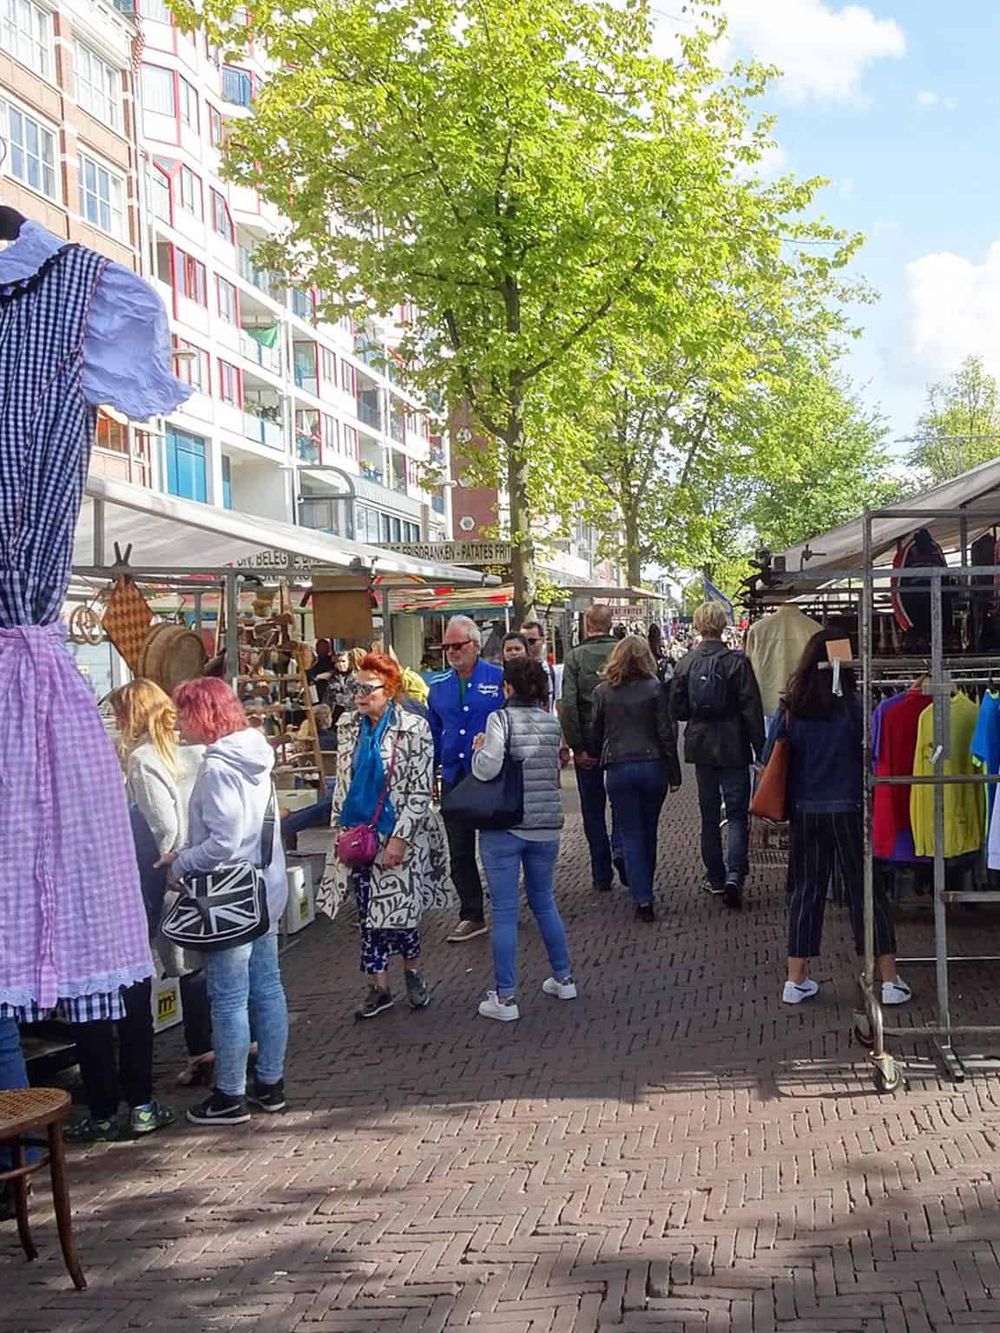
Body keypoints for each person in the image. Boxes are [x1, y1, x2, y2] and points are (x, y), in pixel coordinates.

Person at [765, 629, 911, 1008]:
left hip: (806, 809)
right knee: (866, 889)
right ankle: (889, 979)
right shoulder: (858, 707)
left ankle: (795, 978)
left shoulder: (792, 708)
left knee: (807, 890)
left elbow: (770, 757)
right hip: (851, 808)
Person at [166, 678, 289, 1126]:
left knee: (230, 998)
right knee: (267, 987)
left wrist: (182, 862)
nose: (179, 723)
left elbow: (223, 842)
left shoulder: (218, 767)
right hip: (264, 888)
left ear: (203, 715)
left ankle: (230, 1093)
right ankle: (270, 1083)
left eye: (184, 714)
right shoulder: (256, 755)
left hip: (228, 900)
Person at [320, 652, 451, 1018]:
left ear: (389, 689)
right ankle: (379, 987)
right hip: (358, 835)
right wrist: (339, 830)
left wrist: (399, 840)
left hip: (396, 834)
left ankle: (413, 972)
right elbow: (343, 784)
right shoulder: (348, 726)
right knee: (367, 915)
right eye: (355, 687)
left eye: (367, 688)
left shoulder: (414, 727)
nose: (359, 695)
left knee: (400, 914)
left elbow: (420, 790)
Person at [115, 680, 212, 1091]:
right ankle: (215, 1048)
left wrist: (169, 863)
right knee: (204, 961)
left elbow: (165, 825)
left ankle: (200, 1053)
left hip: (172, 872)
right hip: (208, 862)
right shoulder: (194, 748)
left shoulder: (144, 757)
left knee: (181, 961)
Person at [471, 658, 574, 1021]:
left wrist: (479, 749)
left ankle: (506, 997)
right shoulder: (551, 722)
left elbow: (488, 768)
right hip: (546, 826)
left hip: (507, 826)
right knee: (544, 901)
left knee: (504, 911)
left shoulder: (500, 719)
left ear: (509, 687)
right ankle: (564, 978)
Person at [670, 602, 765, 912]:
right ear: (723, 625)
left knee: (709, 815)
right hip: (734, 745)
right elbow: (751, 709)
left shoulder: (686, 662)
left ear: (697, 625)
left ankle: (715, 877)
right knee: (736, 814)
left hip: (701, 746)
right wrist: (760, 749)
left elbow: (677, 708)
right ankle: (735, 874)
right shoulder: (738, 662)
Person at [592, 638, 681, 921]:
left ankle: (642, 897)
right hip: (652, 765)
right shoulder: (655, 688)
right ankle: (646, 889)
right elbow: (666, 732)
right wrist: (674, 772)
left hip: (619, 767)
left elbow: (596, 731)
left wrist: (594, 757)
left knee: (630, 832)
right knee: (648, 831)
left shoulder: (603, 691)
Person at [428, 615, 504, 941]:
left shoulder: (498, 678)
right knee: (459, 850)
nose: (451, 652)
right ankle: (472, 913)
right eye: (446, 647)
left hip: (488, 776)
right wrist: (431, 770)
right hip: (454, 777)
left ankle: (505, 904)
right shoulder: (438, 686)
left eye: (457, 646)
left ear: (475, 644)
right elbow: (433, 732)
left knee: (496, 845)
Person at [559, 604, 623, 892]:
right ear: (610, 624)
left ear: (587, 624)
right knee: (622, 802)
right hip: (620, 739)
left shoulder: (575, 657)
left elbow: (569, 705)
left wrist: (577, 747)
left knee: (593, 809)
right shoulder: (623, 652)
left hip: (588, 739)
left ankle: (601, 873)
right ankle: (621, 848)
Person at [520, 620, 559, 709]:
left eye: (531, 641)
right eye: (523, 642)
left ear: (542, 640)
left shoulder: (554, 672)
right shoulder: (513, 672)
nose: (527, 646)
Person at [307, 637, 337, 705]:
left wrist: (319, 677)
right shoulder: (313, 661)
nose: (322, 650)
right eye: (320, 648)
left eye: (324, 648)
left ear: (328, 649)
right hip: (313, 689)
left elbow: (333, 672)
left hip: (327, 689)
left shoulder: (331, 661)